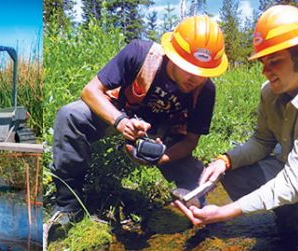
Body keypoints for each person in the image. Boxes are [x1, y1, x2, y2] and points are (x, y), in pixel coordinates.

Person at [179, 5, 298, 251]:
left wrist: (226, 212)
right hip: (290, 166)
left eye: (274, 61)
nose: (265, 71)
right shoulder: (269, 93)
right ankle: (288, 209)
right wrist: (224, 161)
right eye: (263, 62)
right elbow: (262, 142)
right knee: (234, 171)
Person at [46, 15, 228, 230]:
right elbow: (90, 91)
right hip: (119, 113)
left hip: (164, 135)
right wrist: (122, 123)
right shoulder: (141, 53)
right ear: (173, 56)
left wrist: (161, 158)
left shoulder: (206, 91)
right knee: (70, 115)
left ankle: (195, 211)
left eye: (203, 73)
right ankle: (69, 206)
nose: (195, 78)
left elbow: (190, 141)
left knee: (199, 179)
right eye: (188, 68)